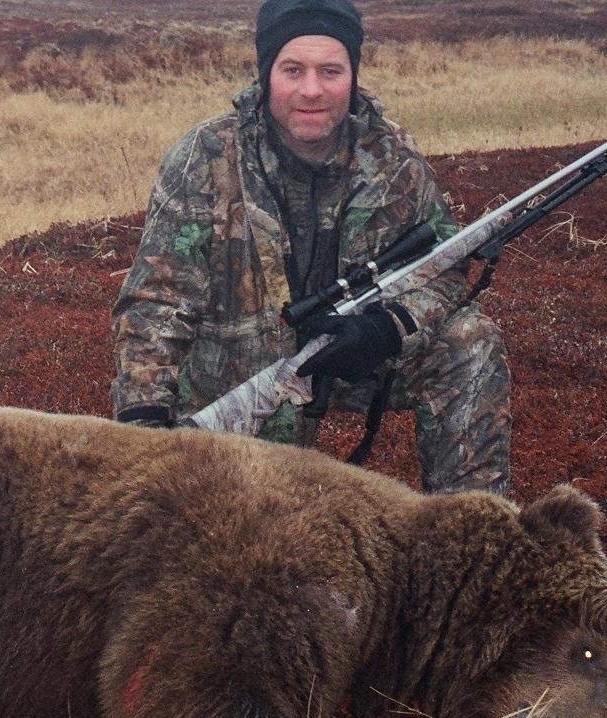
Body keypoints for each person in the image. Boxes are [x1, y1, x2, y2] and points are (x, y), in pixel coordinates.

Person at [110, 0, 511, 495]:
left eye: (330, 70)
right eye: (293, 69)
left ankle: (470, 534)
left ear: (353, 74)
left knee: (471, 341)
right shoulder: (204, 156)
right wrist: (142, 429)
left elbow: (444, 268)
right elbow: (155, 303)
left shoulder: (393, 157)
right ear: (266, 73)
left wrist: (387, 328)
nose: (312, 90)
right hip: (232, 372)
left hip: (348, 362)